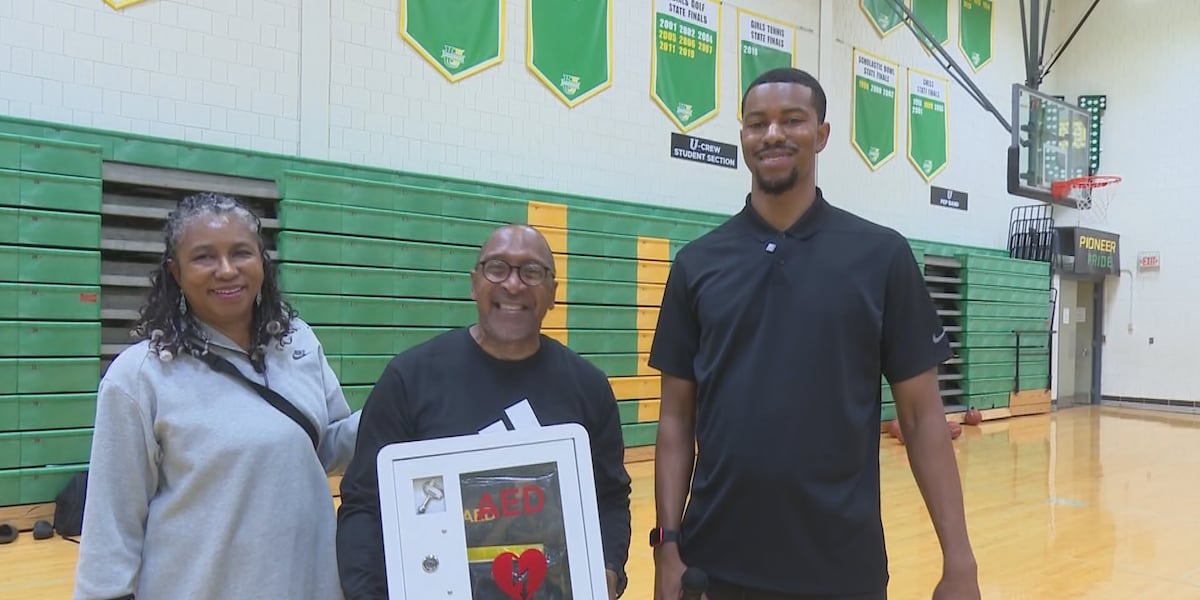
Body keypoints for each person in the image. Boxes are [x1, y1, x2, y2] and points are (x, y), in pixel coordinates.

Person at [649, 68, 980, 600]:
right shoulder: (697, 265)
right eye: (757, 123)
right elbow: (675, 418)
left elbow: (921, 419)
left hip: (842, 568)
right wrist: (667, 547)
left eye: (792, 120)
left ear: (822, 134)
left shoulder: (881, 257)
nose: (773, 134)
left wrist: (959, 561)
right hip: (715, 564)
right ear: (743, 138)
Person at [73, 193, 361, 599]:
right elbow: (112, 519)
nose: (227, 270)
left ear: (262, 261)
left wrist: (400, 407)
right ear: (175, 271)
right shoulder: (139, 375)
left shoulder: (298, 343)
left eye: (241, 253)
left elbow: (325, 448)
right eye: (204, 257)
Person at [336, 224, 632, 599]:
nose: (513, 284)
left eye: (532, 271)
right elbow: (364, 504)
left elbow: (609, 497)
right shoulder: (409, 379)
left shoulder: (588, 387)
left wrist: (606, 568)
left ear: (553, 293)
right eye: (497, 268)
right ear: (474, 283)